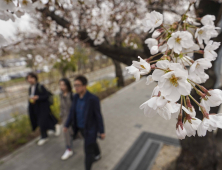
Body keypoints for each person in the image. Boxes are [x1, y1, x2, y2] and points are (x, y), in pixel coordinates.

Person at [64, 75, 105, 170]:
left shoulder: (93, 99)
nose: (76, 88)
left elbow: (98, 116)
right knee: (92, 142)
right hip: (81, 128)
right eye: (74, 85)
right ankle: (98, 154)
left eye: (78, 85)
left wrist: (102, 131)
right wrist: (66, 125)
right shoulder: (75, 97)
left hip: (91, 129)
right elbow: (72, 112)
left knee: (88, 151)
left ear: (85, 85)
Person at [26, 72, 60, 146]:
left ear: (35, 78)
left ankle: (44, 137)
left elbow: (46, 96)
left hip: (43, 108)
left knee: (41, 122)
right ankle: (55, 126)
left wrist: (38, 97)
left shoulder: (40, 86)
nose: (29, 80)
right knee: (46, 120)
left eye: (31, 78)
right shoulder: (30, 88)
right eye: (28, 78)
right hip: (36, 108)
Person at [59, 78, 74, 160]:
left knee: (77, 133)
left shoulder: (72, 95)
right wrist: (61, 115)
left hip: (72, 118)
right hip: (65, 118)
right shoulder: (60, 95)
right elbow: (61, 106)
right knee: (66, 133)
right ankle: (69, 149)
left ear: (68, 85)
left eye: (64, 85)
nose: (62, 87)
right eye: (60, 85)